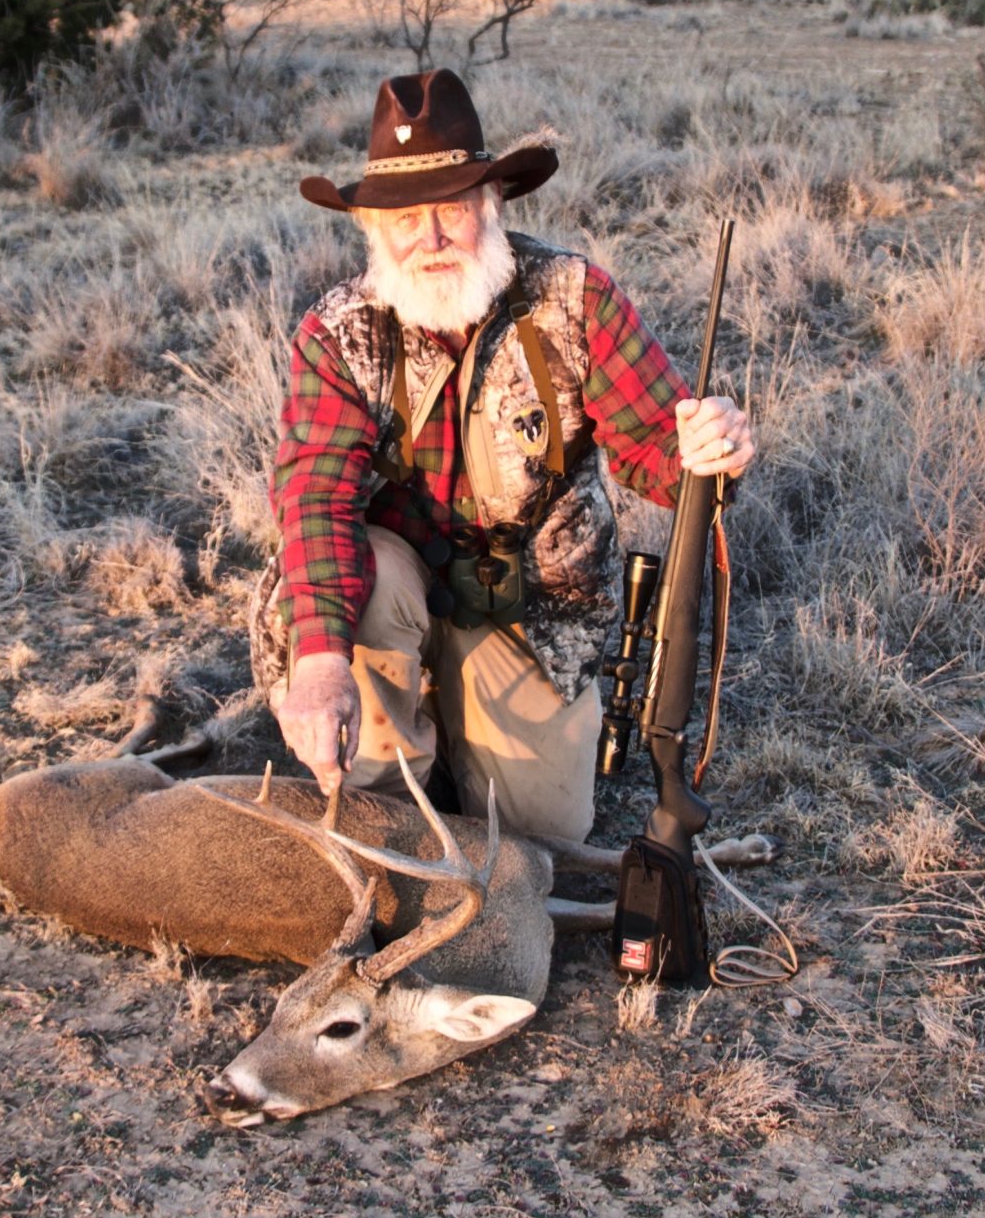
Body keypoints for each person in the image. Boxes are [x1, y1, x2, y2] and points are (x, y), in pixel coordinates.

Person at [246, 70, 753, 842]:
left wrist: (710, 450)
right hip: (396, 590)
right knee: (370, 586)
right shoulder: (334, 335)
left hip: (533, 606)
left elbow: (660, 450)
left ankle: (456, 742)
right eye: (407, 218)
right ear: (374, 232)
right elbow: (316, 497)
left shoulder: (577, 298)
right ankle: (389, 809)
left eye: (452, 207)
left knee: (544, 832)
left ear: (493, 204)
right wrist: (319, 664)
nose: (433, 238)